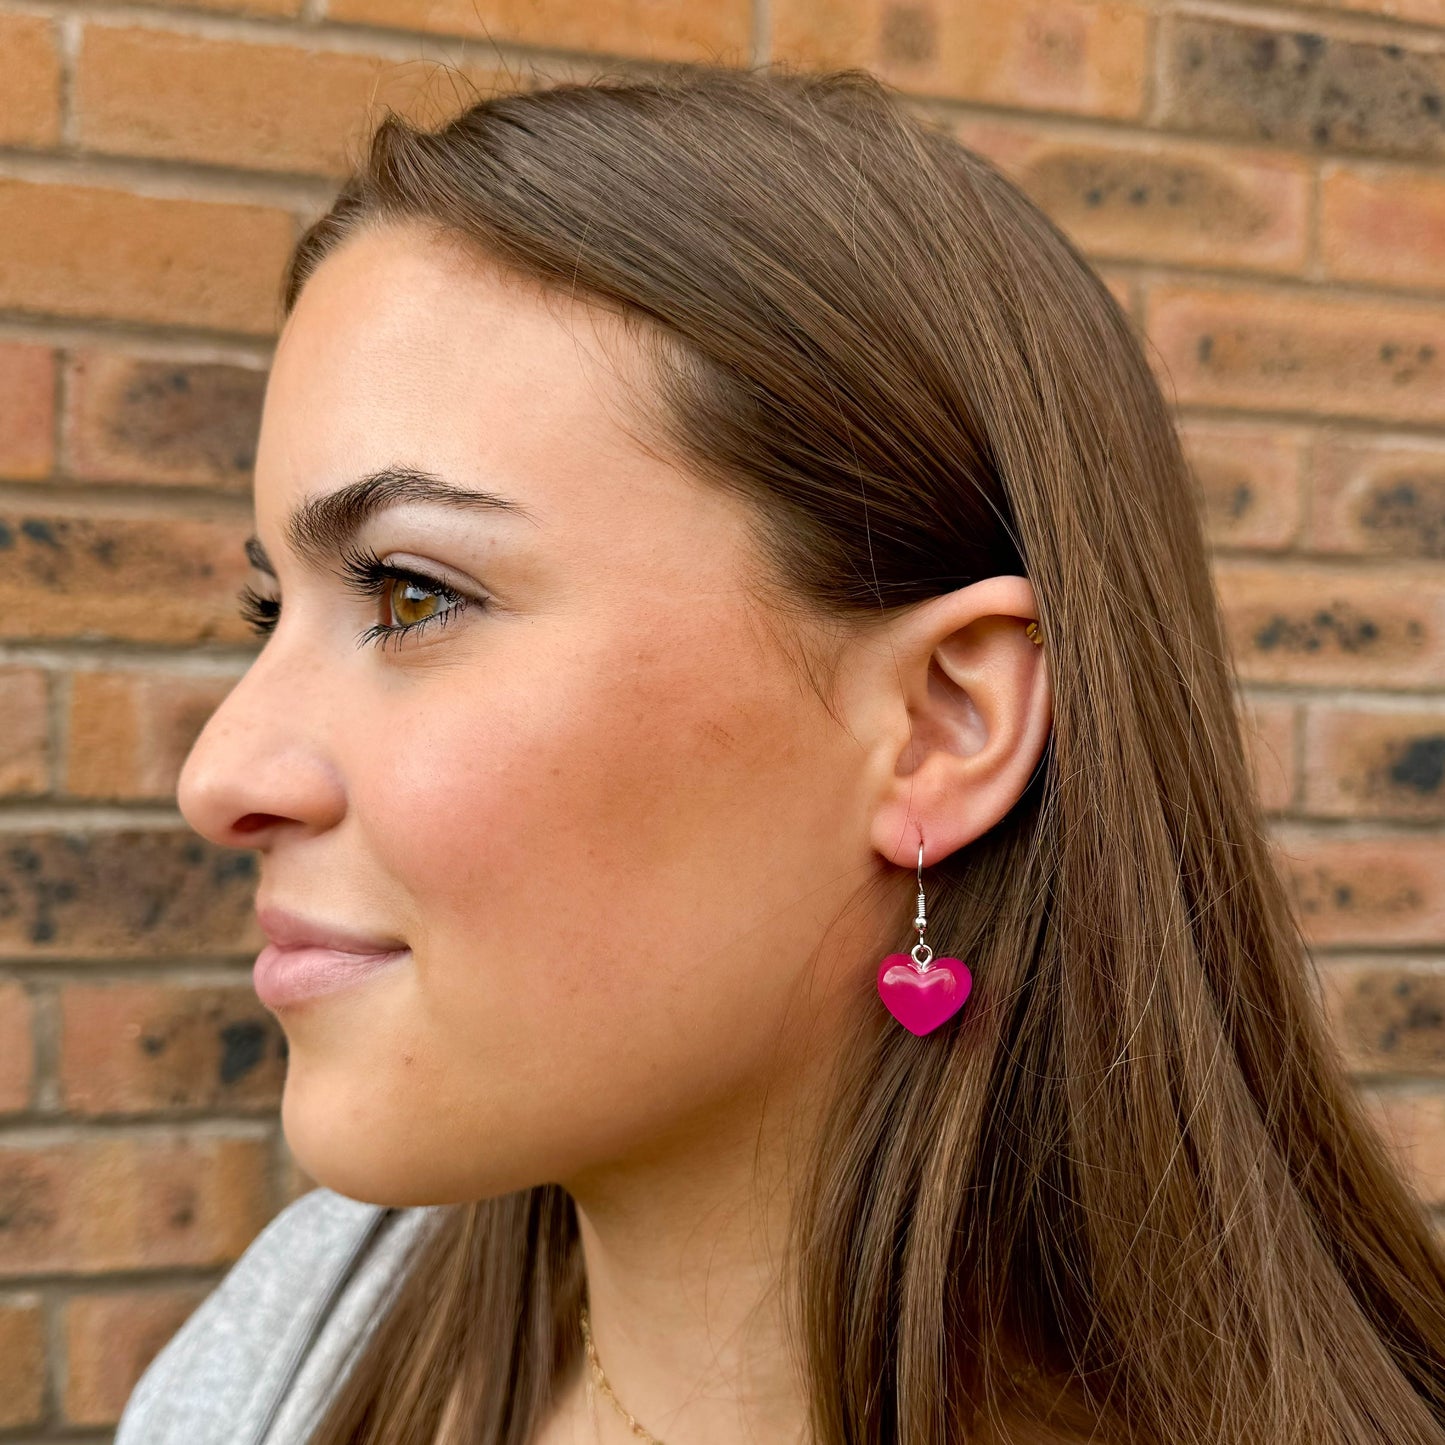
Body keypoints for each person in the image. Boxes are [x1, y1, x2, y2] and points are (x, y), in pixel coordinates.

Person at [114, 61, 1445, 1445]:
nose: (222, 773)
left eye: (410, 594)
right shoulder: (302, 1338)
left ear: (940, 725)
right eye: (271, 608)